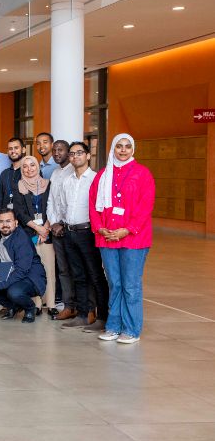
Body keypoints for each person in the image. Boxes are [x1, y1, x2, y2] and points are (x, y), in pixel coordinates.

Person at [92, 134, 155, 344]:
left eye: (127, 146)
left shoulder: (142, 173)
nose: (123, 150)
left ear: (132, 149)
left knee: (130, 285)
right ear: (113, 148)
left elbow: (146, 205)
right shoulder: (103, 175)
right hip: (107, 237)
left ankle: (131, 329)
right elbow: (93, 204)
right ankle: (113, 326)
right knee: (115, 284)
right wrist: (100, 228)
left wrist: (127, 230)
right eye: (119, 146)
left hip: (134, 239)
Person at [54, 142, 109, 330]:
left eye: (79, 153)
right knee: (78, 276)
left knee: (96, 276)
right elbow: (62, 206)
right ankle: (83, 315)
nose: (75, 156)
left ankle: (102, 317)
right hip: (70, 233)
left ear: (87, 155)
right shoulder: (67, 181)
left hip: (88, 233)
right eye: (72, 154)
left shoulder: (96, 179)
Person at [0, 209, 47, 323]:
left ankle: (30, 308)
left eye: (8, 221)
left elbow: (22, 271)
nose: (5, 225)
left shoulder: (21, 239)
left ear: (16, 223)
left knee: (14, 292)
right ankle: (13, 306)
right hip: (9, 273)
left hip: (29, 278)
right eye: (1, 221)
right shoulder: (0, 234)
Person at [13, 155, 56, 317]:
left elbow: (53, 206)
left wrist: (46, 229)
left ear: (38, 167)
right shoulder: (19, 186)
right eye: (25, 166)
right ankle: (37, 304)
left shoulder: (48, 184)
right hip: (29, 234)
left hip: (47, 233)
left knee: (49, 269)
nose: (29, 169)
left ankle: (51, 304)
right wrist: (38, 228)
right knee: (34, 271)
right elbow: (20, 212)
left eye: (32, 165)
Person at [46, 140, 74, 317]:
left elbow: (73, 202)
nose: (56, 153)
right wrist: (53, 222)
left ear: (68, 152)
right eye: (54, 150)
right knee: (62, 270)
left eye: (60, 150)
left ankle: (82, 307)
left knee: (76, 269)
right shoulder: (55, 173)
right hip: (56, 229)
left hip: (70, 229)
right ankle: (68, 305)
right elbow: (51, 201)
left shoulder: (74, 171)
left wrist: (62, 223)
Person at [0, 137, 25, 213]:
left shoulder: (30, 171)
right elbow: (0, 199)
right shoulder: (4, 174)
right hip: (7, 218)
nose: (13, 151)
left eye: (16, 148)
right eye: (10, 149)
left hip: (25, 218)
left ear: (23, 150)